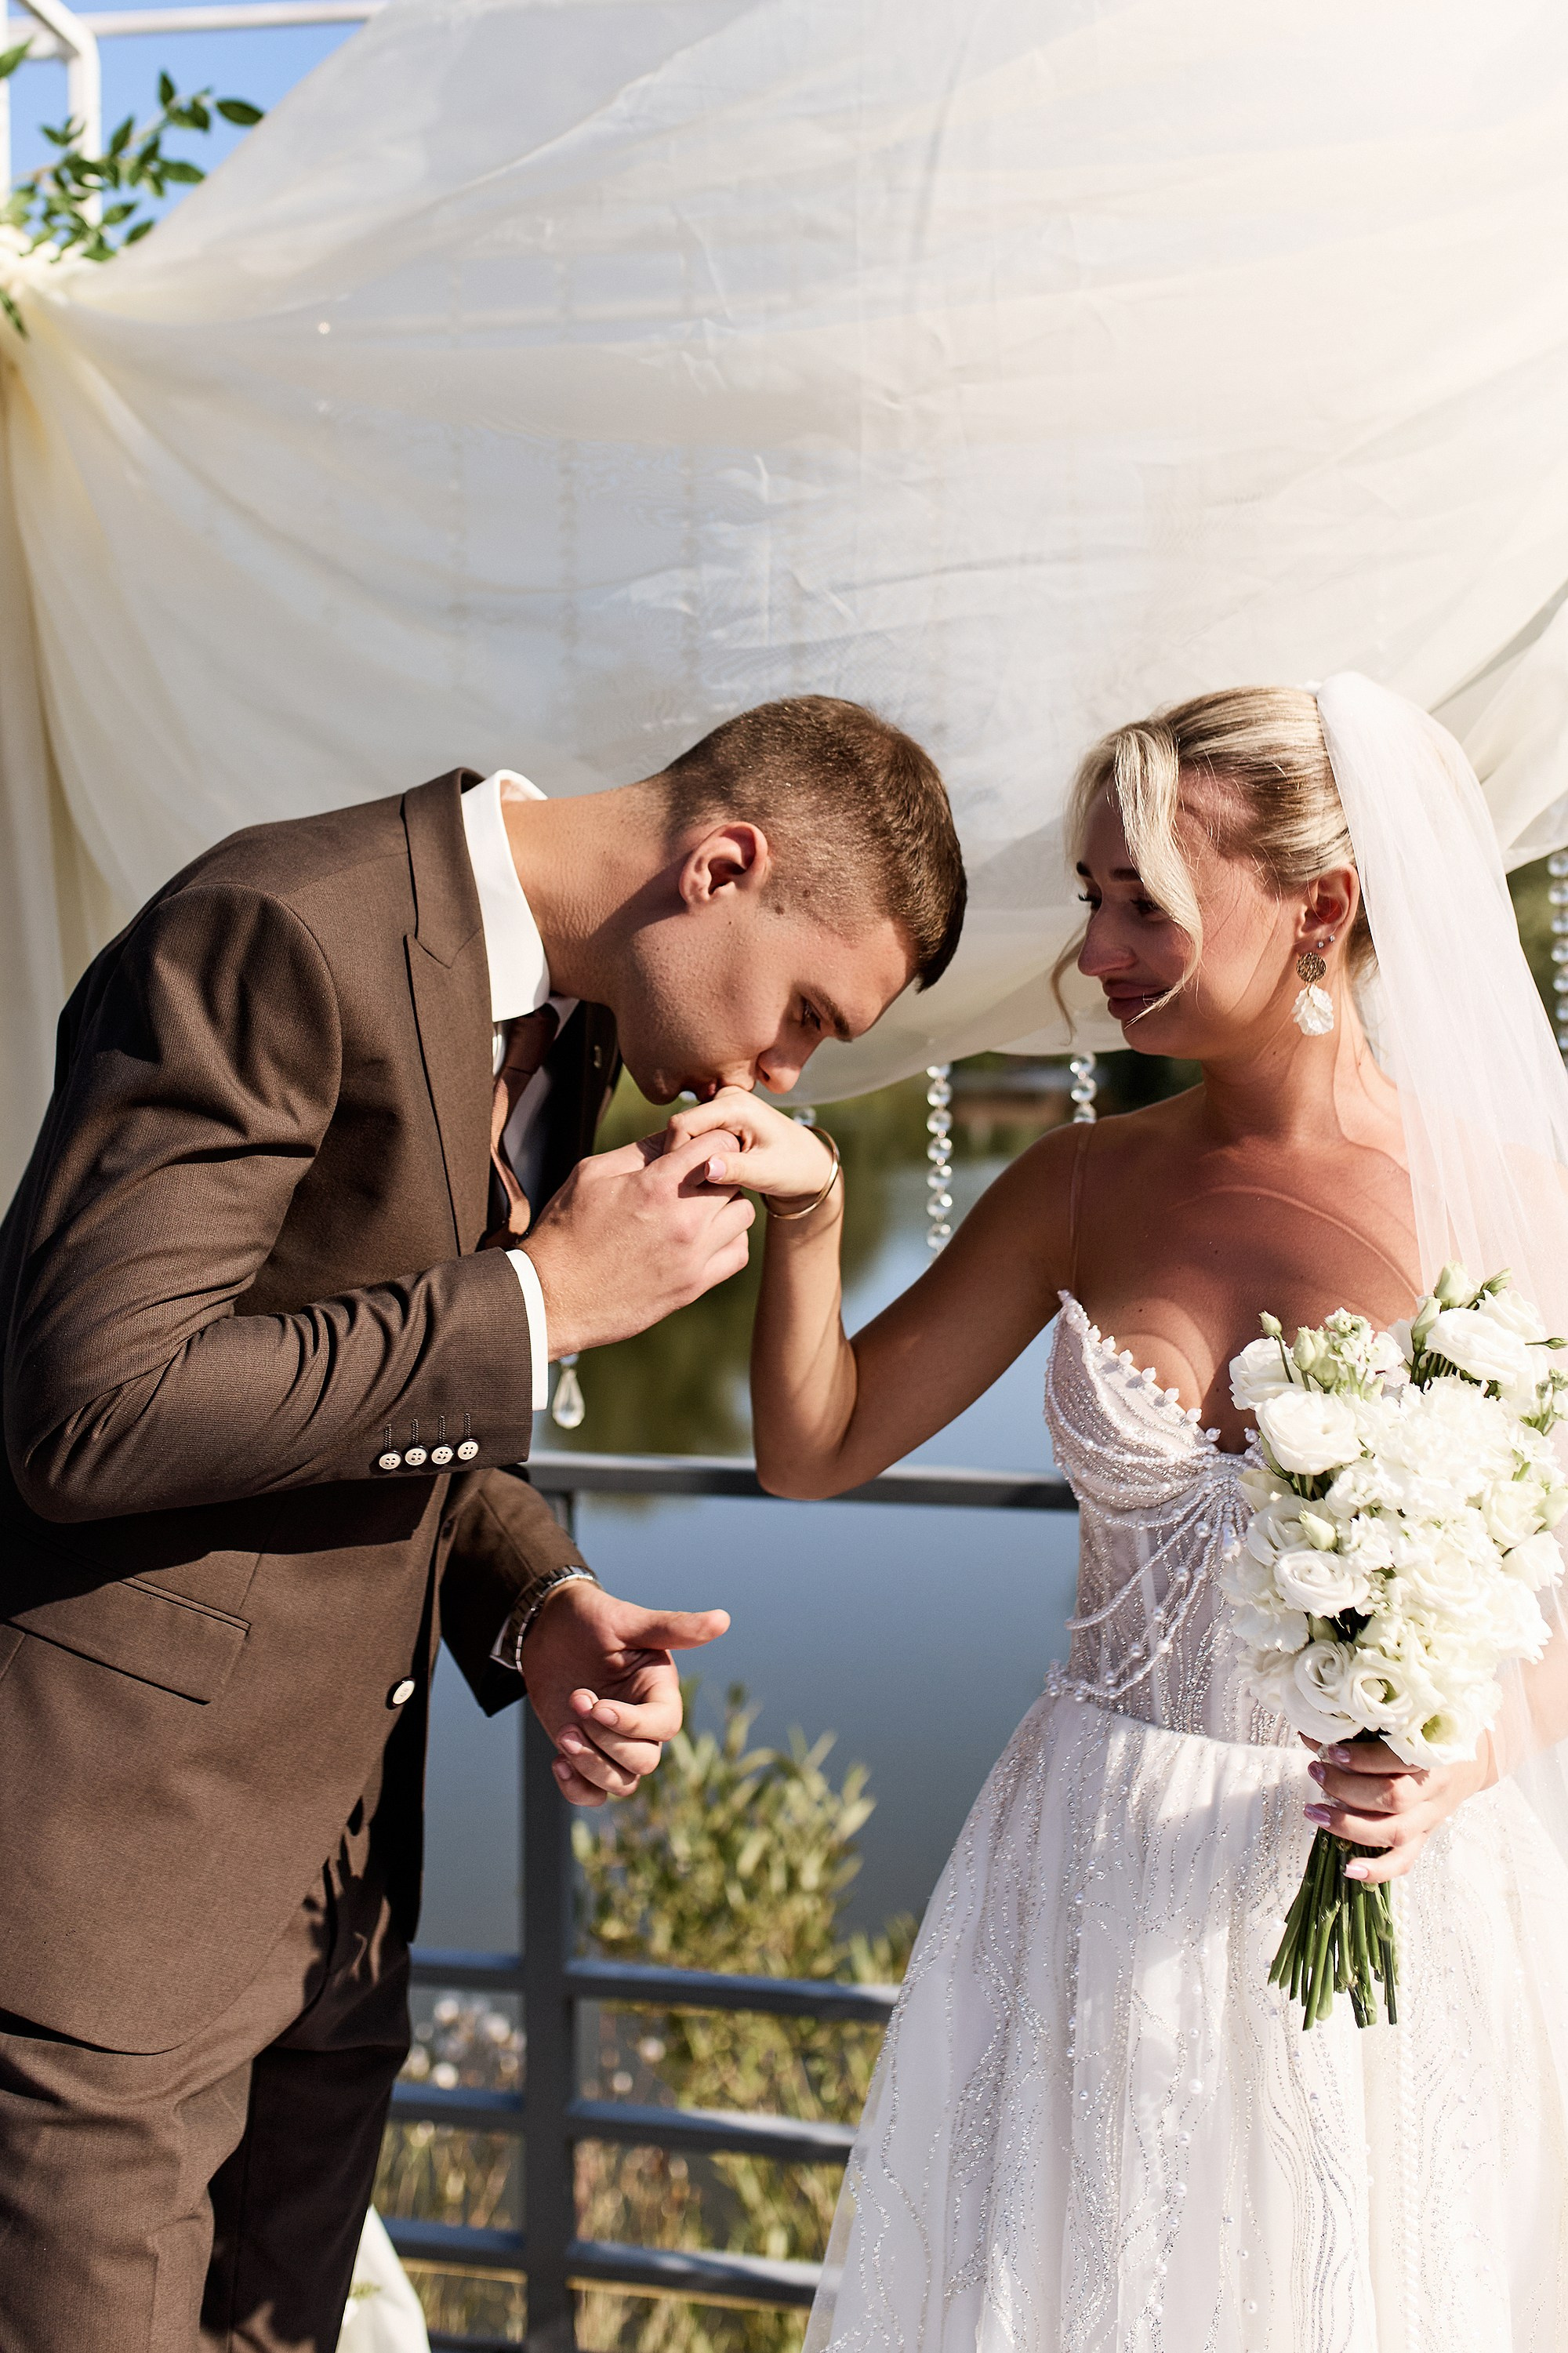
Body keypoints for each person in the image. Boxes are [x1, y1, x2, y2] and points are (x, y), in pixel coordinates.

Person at [0, 694, 965, 2353]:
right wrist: (538, 1305)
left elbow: (356, 1407)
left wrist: (540, 1598)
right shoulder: (277, 932)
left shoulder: (582, 1023)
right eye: (804, 1011)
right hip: (109, 1912)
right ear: (719, 864)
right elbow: (89, 1407)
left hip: (330, 1922)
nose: (780, 1074)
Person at [672, 675, 1568, 2349]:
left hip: (1381, 1886)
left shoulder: (1514, 1196)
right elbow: (815, 1451)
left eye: (1142, 898)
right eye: (1093, 897)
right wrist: (809, 1224)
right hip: (1092, 1874)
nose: (1098, 949)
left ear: (1321, 906)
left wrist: (1452, 1768)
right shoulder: (1078, 1185)